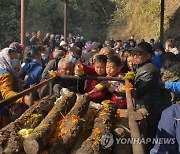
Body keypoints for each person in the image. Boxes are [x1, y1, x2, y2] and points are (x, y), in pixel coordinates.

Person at [132, 42, 162, 152]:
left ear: (148, 56)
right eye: (133, 54)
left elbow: (138, 91)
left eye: (138, 54)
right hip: (145, 106)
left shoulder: (149, 70)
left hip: (149, 109)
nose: (135, 57)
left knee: (147, 140)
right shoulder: (141, 67)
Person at [0, 48, 30, 128]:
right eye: (12, 59)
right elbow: (6, 93)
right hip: (3, 114)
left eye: (15, 58)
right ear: (5, 59)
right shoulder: (5, 75)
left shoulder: (5, 70)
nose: (15, 61)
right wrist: (23, 98)